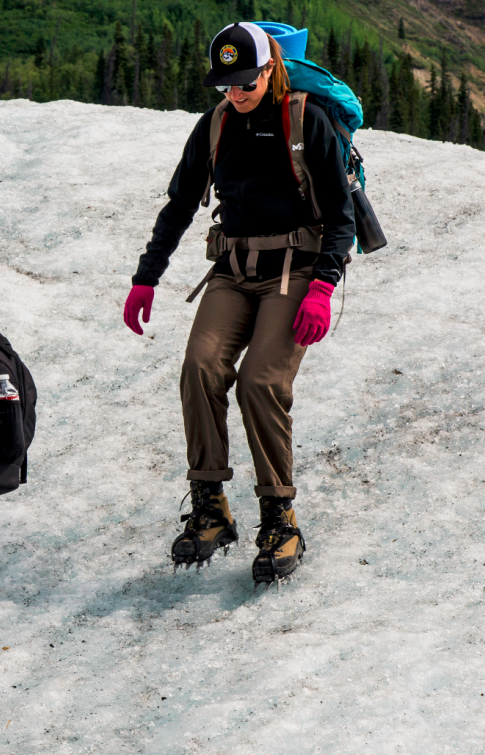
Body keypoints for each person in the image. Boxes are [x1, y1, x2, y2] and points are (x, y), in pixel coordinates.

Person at [123, 21, 354, 585]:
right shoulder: (216, 125)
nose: (236, 92)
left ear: (270, 68)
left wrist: (323, 286)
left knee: (260, 382)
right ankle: (210, 507)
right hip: (233, 270)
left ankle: (280, 517)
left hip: (297, 271)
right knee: (199, 367)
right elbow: (179, 204)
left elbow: (342, 217)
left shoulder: (307, 120)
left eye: (246, 81)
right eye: (227, 83)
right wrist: (145, 277)